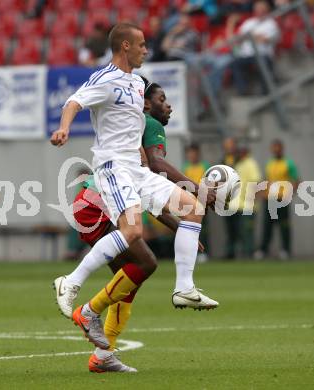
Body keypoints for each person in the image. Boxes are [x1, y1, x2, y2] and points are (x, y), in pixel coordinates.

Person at [50, 22, 218, 368]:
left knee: (192, 206)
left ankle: (184, 287)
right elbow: (74, 101)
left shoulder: (135, 83)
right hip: (112, 167)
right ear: (124, 46)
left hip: (136, 169)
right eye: (141, 45)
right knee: (132, 234)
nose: (146, 50)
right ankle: (71, 282)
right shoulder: (106, 78)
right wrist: (65, 127)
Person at [255, 139, 299, 260]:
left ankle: (286, 250)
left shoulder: (288, 163)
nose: (276, 150)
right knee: (267, 226)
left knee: (284, 226)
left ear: (282, 148)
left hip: (282, 199)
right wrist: (262, 192)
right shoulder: (269, 163)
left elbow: (296, 180)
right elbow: (268, 180)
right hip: (270, 199)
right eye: (274, 148)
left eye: (278, 147)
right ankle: (263, 250)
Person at [230, 0, 280, 95]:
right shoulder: (248, 22)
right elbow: (238, 39)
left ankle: (266, 92)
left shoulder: (271, 23)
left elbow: (265, 40)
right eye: (257, 7)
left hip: (263, 54)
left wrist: (249, 36)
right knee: (234, 62)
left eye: (261, 7)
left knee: (263, 61)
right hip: (246, 54)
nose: (258, 9)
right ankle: (243, 91)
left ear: (267, 9)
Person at [226, 146, 262, 258]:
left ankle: (249, 253)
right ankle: (233, 253)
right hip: (235, 205)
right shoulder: (238, 164)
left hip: (247, 205)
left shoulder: (251, 164)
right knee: (235, 231)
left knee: (247, 231)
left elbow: (255, 182)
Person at [182, 143, 210, 261]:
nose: (191, 156)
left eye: (193, 153)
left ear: (198, 154)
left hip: (202, 203)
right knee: (189, 228)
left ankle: (203, 253)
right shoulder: (185, 167)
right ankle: (190, 253)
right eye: (189, 153)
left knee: (203, 229)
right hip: (189, 203)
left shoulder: (205, 166)